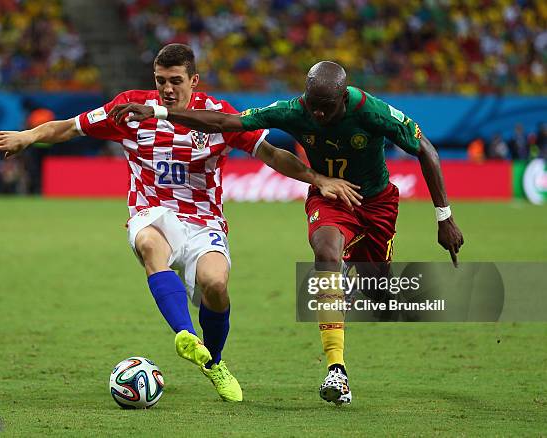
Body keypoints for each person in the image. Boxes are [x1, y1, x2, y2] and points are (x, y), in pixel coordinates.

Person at [0, 46, 361, 403]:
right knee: (151, 245)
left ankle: (212, 361)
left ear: (193, 81)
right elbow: (71, 127)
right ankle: (184, 333)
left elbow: (271, 153)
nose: (166, 88)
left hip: (205, 220)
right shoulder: (129, 108)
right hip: (153, 210)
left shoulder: (217, 114)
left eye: (175, 80)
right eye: (160, 79)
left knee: (215, 285)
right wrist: (28, 136)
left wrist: (317, 179)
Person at [109, 60, 464, 406]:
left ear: (343, 99)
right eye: (313, 107)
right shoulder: (295, 111)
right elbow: (225, 122)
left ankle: (352, 289)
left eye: (326, 109)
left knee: (375, 289)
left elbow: (427, 151)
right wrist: (160, 113)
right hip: (328, 196)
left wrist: (444, 217)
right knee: (326, 253)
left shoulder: (372, 112)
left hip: (376, 202)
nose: (318, 116)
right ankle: (336, 369)